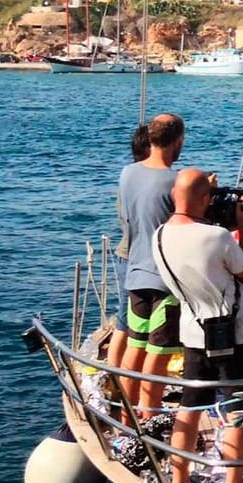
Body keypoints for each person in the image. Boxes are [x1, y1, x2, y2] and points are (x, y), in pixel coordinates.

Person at [152, 168, 243, 483]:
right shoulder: (218, 237)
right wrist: (242, 226)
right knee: (236, 409)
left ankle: (180, 482)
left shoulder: (158, 237)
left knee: (190, 408)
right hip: (234, 334)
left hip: (194, 333)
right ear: (202, 199)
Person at [118, 113, 186, 423]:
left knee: (134, 349)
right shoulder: (176, 182)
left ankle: (126, 416)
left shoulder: (127, 173)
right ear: (177, 142)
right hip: (165, 280)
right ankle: (148, 418)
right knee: (157, 356)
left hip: (135, 275)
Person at [104, 123, 151, 372]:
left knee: (125, 318)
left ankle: (114, 370)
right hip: (138, 257)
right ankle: (122, 371)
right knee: (133, 321)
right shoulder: (143, 178)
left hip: (126, 253)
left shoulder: (128, 177)